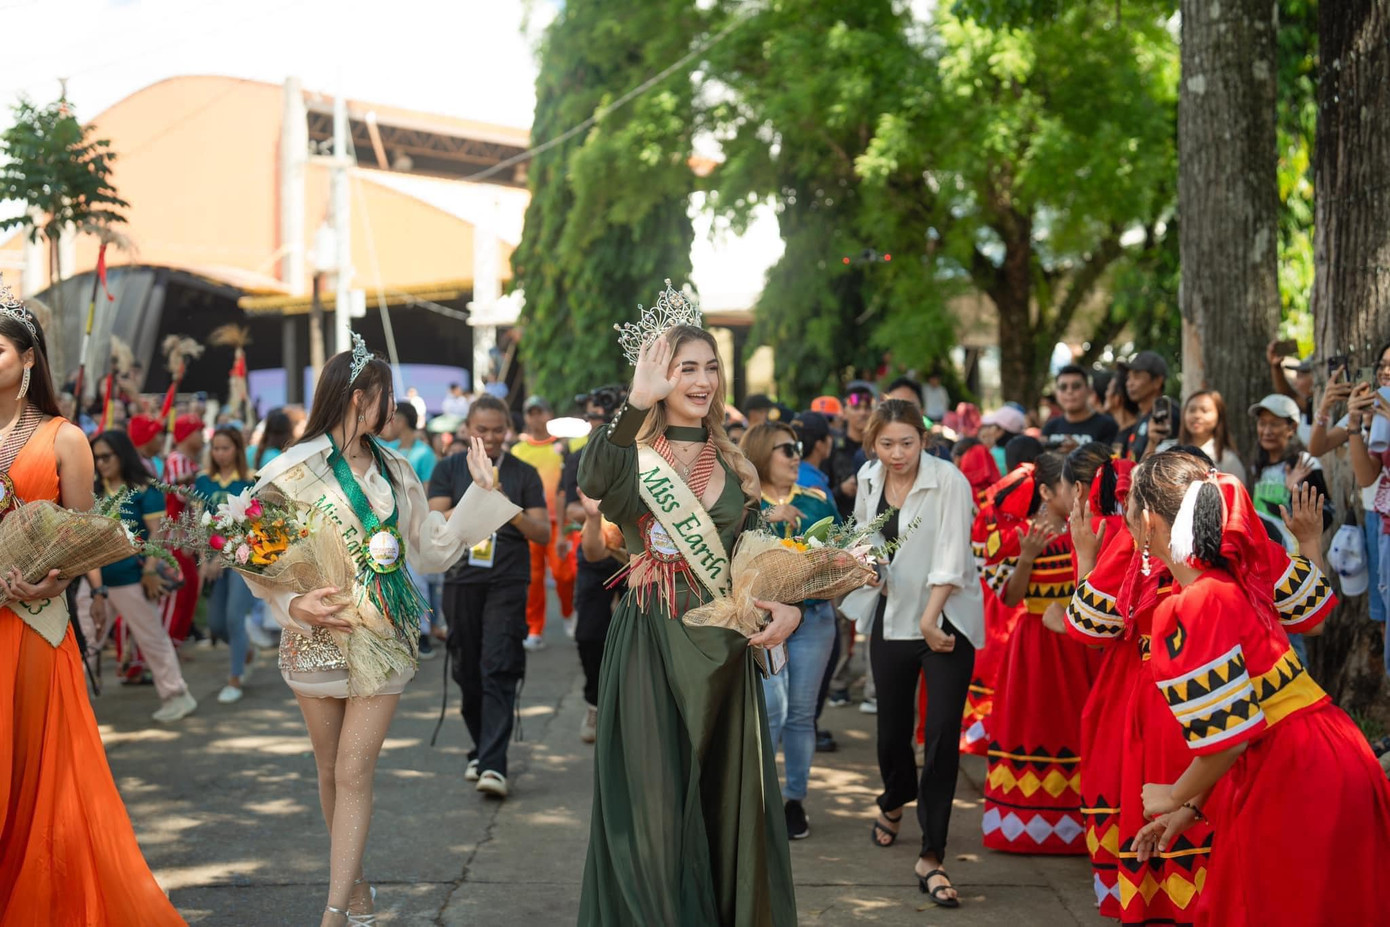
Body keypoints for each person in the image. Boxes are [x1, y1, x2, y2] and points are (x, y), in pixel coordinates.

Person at [251, 337, 517, 927]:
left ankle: (333, 910)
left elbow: (433, 550)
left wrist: (482, 491)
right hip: (317, 635)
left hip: (381, 635)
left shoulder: (396, 470)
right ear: (356, 397)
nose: (392, 408)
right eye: (385, 396)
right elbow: (251, 551)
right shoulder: (290, 471)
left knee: (354, 769)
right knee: (328, 770)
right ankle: (358, 885)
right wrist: (295, 605)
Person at [576, 303, 804, 925]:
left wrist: (790, 607)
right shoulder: (630, 454)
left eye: (710, 369)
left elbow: (754, 562)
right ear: (658, 378)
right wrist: (634, 402)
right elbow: (593, 476)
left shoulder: (736, 465)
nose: (700, 382)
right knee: (651, 805)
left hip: (723, 647)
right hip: (650, 641)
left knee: (720, 803)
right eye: (684, 370)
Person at [1128, 456, 1390, 927]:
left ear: (1148, 522)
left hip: (1294, 770)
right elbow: (1241, 721)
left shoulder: (1192, 604)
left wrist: (1173, 795)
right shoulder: (1233, 578)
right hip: (1326, 751)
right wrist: (1191, 806)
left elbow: (1230, 736)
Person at [0, 290, 188, 925]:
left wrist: (51, 583)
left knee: (29, 767)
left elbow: (79, 537)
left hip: (31, 623)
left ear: (27, 359)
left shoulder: (64, 438)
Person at [838, 399, 983, 907]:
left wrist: (931, 616)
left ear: (924, 440)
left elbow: (953, 553)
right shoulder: (871, 478)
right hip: (894, 619)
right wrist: (869, 567)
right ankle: (895, 797)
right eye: (887, 443)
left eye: (908, 442)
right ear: (872, 443)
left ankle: (932, 854)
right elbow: (866, 538)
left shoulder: (949, 480)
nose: (898, 453)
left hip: (946, 626)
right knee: (891, 735)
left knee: (942, 738)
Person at [428, 393, 550, 797]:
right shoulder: (448, 468)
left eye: (498, 430)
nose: (492, 437)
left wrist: (503, 505)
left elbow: (542, 532)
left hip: (508, 581)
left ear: (508, 430)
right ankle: (481, 749)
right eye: (483, 430)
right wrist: (478, 495)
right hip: (462, 578)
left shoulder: (524, 472)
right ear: (467, 430)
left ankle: (494, 765)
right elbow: (436, 518)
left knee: (498, 663)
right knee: (466, 667)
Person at [979, 451, 1096, 855]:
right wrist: (1027, 557)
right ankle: (1025, 826)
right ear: (1046, 490)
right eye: (1070, 486)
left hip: (1080, 645)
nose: (1079, 493)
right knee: (1037, 723)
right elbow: (1009, 597)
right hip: (1036, 647)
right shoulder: (1016, 537)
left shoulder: (1092, 530)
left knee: (1078, 728)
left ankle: (1084, 825)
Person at [742, 421, 841, 840]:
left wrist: (850, 567)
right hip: (763, 621)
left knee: (802, 715)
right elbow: (729, 547)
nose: (797, 454)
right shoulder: (744, 504)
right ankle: (756, 799)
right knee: (771, 711)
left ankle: (794, 801)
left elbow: (841, 548)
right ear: (764, 454)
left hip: (815, 620)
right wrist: (767, 515)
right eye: (787, 449)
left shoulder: (817, 500)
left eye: (798, 447)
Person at [79, 430, 198, 721]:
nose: (101, 462)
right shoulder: (92, 490)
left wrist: (148, 571)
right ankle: (74, 704)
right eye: (96, 458)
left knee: (152, 638)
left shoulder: (144, 489)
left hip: (132, 578)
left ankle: (176, 695)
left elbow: (157, 534)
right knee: (84, 642)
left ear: (122, 455)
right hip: (94, 582)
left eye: (106, 456)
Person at [194, 425, 258, 704]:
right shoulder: (203, 481)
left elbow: (253, 526)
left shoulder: (250, 480)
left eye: (226, 448)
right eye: (216, 448)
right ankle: (245, 650)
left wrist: (223, 557)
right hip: (213, 560)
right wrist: (203, 559)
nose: (220, 454)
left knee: (234, 617)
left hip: (241, 559)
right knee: (217, 625)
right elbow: (198, 522)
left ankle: (235, 678)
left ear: (237, 449)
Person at [509, 395, 574, 650]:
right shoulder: (518, 450)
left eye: (540, 412)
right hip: (531, 523)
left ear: (549, 414)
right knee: (534, 578)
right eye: (531, 412)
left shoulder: (562, 447)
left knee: (564, 574)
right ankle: (534, 628)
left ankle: (569, 613)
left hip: (559, 522)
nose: (536, 417)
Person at [162, 412, 205, 647]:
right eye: (199, 431)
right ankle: (168, 645)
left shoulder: (189, 462)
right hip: (174, 536)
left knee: (188, 591)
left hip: (185, 535)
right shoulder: (177, 460)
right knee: (179, 592)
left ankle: (174, 644)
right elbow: (181, 495)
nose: (202, 436)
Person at [1042, 365, 1117, 451]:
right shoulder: (1050, 427)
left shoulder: (1108, 426)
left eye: (1076, 386)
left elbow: (1112, 460)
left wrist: (1080, 452)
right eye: (1063, 387)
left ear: (1089, 390)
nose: (1069, 391)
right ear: (1056, 393)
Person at [830, 383, 875, 517]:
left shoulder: (881, 446)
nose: (863, 413)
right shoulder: (832, 446)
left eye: (867, 408)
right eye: (856, 408)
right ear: (844, 412)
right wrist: (841, 490)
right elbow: (820, 493)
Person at [1178, 390, 1244, 477]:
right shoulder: (1167, 450)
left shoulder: (1229, 460)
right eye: (1192, 410)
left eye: (1204, 411)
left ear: (1219, 416)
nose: (1197, 415)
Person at [1117, 351, 1168, 459]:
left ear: (1158, 381)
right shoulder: (1142, 416)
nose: (1129, 383)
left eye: (1136, 377)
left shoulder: (1167, 414)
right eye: (1128, 377)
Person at [790, 410, 834, 494]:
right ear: (819, 445)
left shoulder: (788, 474)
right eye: (829, 436)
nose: (831, 440)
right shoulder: (815, 485)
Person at [979, 406, 1026, 474]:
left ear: (1000, 431)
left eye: (991, 426)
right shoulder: (1023, 453)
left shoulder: (993, 455)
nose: (988, 431)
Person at [1103, 363, 1140, 434]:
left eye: (1108, 389)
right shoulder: (1114, 431)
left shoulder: (1137, 433)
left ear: (1117, 398)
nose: (1106, 394)